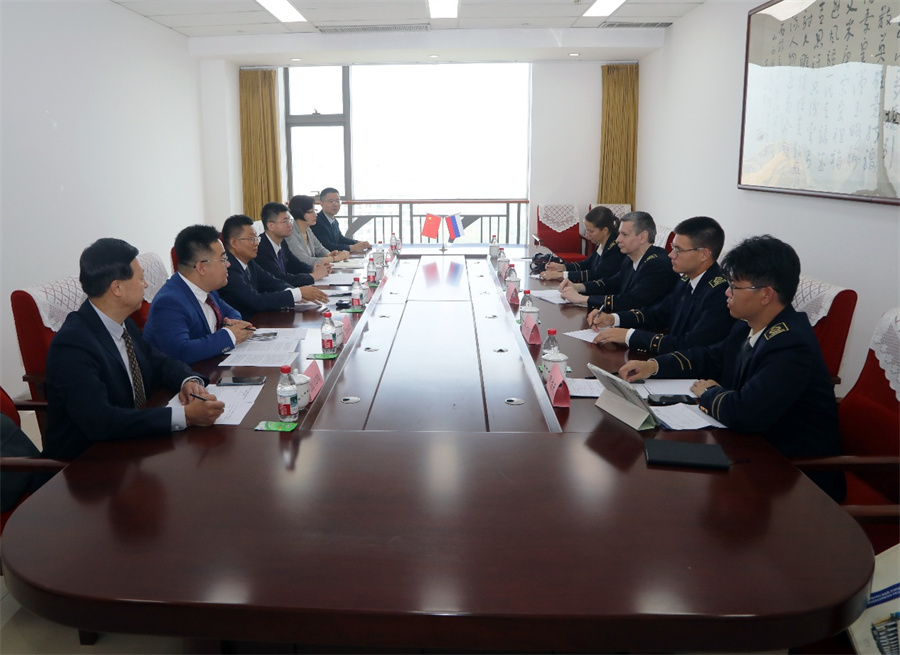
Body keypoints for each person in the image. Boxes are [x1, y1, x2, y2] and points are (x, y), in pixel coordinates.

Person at [619, 235, 844, 501]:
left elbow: (745, 412)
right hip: (750, 449)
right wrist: (653, 365)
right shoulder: (747, 324)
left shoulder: (791, 345)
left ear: (766, 294)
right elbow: (708, 357)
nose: (726, 293)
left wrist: (708, 393)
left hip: (794, 478)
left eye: (734, 287)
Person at [44, 238, 225, 460]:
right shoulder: (73, 345)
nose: (146, 285)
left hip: (131, 441)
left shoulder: (123, 322)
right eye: (140, 278)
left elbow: (159, 361)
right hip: (87, 462)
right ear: (117, 288)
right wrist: (184, 416)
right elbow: (100, 421)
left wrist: (188, 381)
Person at [588, 216, 735, 353]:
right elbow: (657, 314)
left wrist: (629, 336)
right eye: (672, 248)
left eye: (678, 250)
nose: (671, 255)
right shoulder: (686, 281)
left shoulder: (719, 293)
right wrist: (613, 318)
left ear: (704, 255)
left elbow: (689, 345)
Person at [144, 225, 255, 365]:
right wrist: (229, 335)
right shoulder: (169, 302)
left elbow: (232, 312)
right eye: (223, 259)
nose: (228, 264)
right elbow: (182, 351)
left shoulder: (207, 288)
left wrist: (231, 324)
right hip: (182, 376)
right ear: (202, 268)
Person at [559, 211, 678, 312]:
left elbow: (631, 301)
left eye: (624, 235)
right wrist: (578, 287)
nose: (617, 240)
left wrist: (582, 299)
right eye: (619, 233)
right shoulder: (630, 258)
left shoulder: (658, 264)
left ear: (642, 237)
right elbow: (611, 284)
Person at [218, 213, 328, 316]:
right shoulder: (228, 267)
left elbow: (272, 281)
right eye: (252, 239)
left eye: (257, 238)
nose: (256, 243)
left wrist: (295, 292)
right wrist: (296, 294)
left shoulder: (249, 262)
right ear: (234, 242)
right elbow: (255, 301)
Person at [538, 205, 625, 283]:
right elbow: (587, 264)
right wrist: (562, 267)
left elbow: (595, 274)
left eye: (591, 231)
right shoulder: (602, 242)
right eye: (586, 230)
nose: (587, 234)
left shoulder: (615, 249)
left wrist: (561, 275)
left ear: (605, 230)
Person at [257, 202, 332, 287]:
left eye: (290, 220)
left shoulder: (282, 242)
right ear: (271, 226)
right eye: (285, 221)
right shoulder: (260, 248)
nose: (290, 225)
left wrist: (313, 269)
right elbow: (280, 279)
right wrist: (313, 276)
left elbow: (295, 264)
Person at [285, 195, 349, 267]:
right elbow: (303, 260)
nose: (315, 215)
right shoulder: (290, 232)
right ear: (299, 213)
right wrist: (334, 259)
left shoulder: (307, 229)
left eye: (314, 211)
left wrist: (329, 254)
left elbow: (319, 248)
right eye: (310, 212)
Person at [310, 187, 370, 253]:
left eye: (337, 201)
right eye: (331, 201)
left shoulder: (334, 221)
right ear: (321, 204)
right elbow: (326, 246)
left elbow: (340, 239)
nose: (335, 204)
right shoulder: (316, 222)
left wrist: (358, 243)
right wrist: (351, 247)